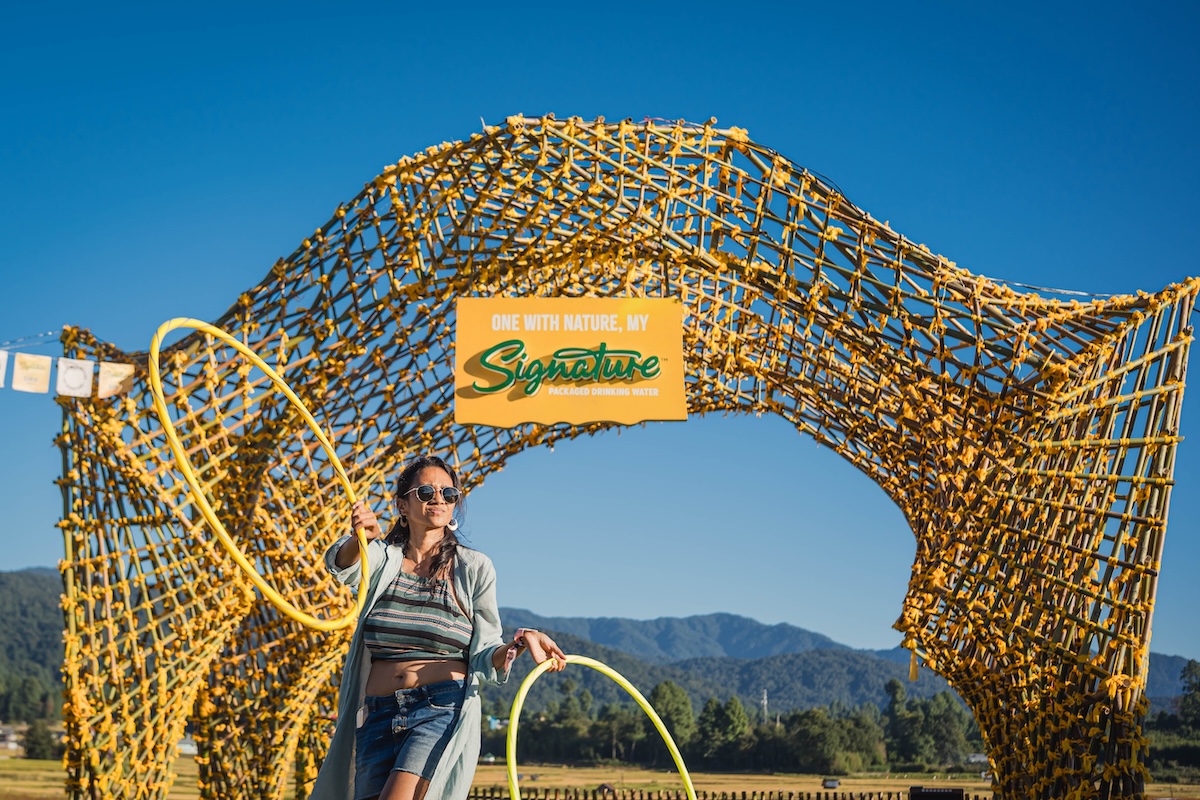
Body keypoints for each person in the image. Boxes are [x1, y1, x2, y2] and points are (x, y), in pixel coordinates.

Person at [310, 454, 566, 800]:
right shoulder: (383, 559)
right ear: (402, 505)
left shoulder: (474, 568)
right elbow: (341, 566)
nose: (439, 499)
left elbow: (485, 653)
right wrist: (361, 539)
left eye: (449, 494)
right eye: (427, 491)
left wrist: (519, 641)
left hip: (439, 709)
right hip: (377, 712)